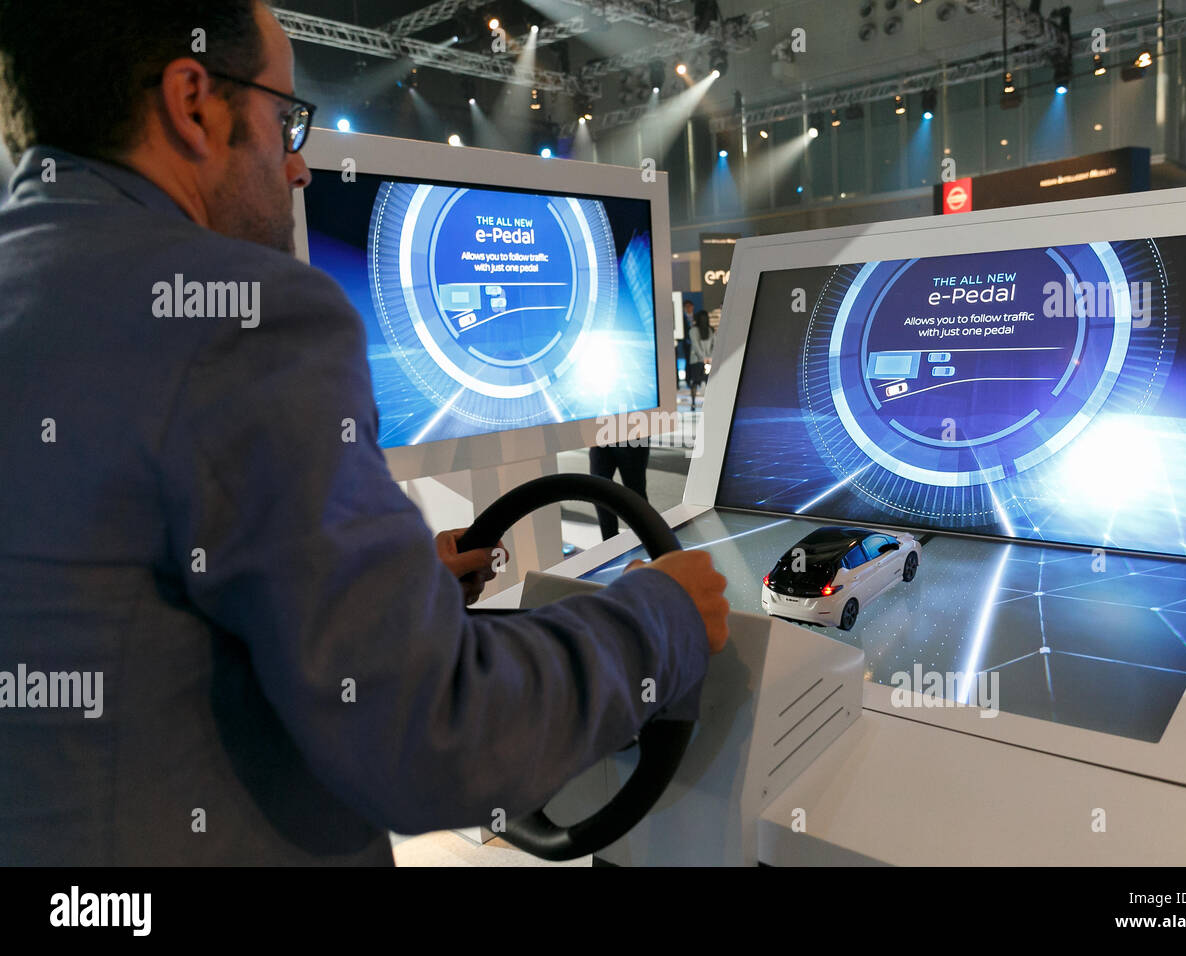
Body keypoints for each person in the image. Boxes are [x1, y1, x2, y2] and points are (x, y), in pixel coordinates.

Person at [0, 0, 729, 865]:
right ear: (193, 102)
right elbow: (434, 734)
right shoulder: (243, 315)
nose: (298, 164)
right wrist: (664, 619)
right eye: (284, 118)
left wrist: (393, 591)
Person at [588, 435, 652, 541]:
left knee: (635, 493)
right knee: (598, 489)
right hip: (601, 431)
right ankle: (610, 542)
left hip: (631, 431)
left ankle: (648, 540)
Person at [687, 309, 715, 411]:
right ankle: (694, 403)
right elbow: (696, 345)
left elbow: (713, 344)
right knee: (697, 381)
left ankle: (704, 402)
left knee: (705, 381)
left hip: (705, 360)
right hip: (698, 360)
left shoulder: (709, 330)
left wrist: (709, 357)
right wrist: (705, 358)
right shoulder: (694, 330)